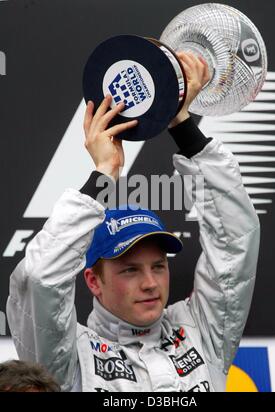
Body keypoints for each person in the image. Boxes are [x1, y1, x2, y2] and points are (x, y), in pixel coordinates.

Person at [6, 52, 260, 392]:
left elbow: (236, 238)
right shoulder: (67, 356)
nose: (151, 283)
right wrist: (102, 175)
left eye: (158, 266)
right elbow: (39, 278)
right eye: (130, 269)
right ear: (93, 280)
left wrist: (183, 126)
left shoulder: (202, 330)